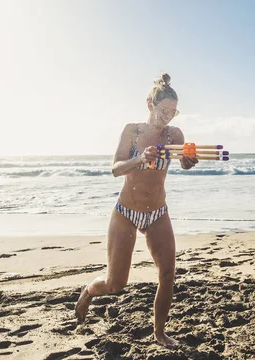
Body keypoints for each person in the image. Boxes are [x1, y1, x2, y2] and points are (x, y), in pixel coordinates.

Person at [74, 73, 198, 348]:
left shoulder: (174, 134)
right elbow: (115, 169)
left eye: (173, 111)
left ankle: (159, 332)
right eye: (164, 109)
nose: (168, 116)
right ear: (149, 104)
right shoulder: (133, 131)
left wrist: (189, 161)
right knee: (115, 283)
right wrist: (141, 158)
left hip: (158, 212)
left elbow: (183, 164)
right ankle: (88, 291)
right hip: (126, 212)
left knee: (168, 274)